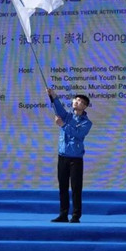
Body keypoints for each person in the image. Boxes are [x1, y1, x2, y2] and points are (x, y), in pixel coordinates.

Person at [47, 88, 92, 223]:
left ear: (84, 106)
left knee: (76, 188)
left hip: (76, 159)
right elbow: (58, 109)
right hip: (62, 156)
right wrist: (53, 96)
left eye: (80, 101)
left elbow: (78, 134)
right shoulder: (67, 116)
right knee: (63, 187)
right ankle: (63, 214)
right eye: (75, 100)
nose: (76, 102)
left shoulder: (86, 122)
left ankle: (76, 215)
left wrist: (62, 125)